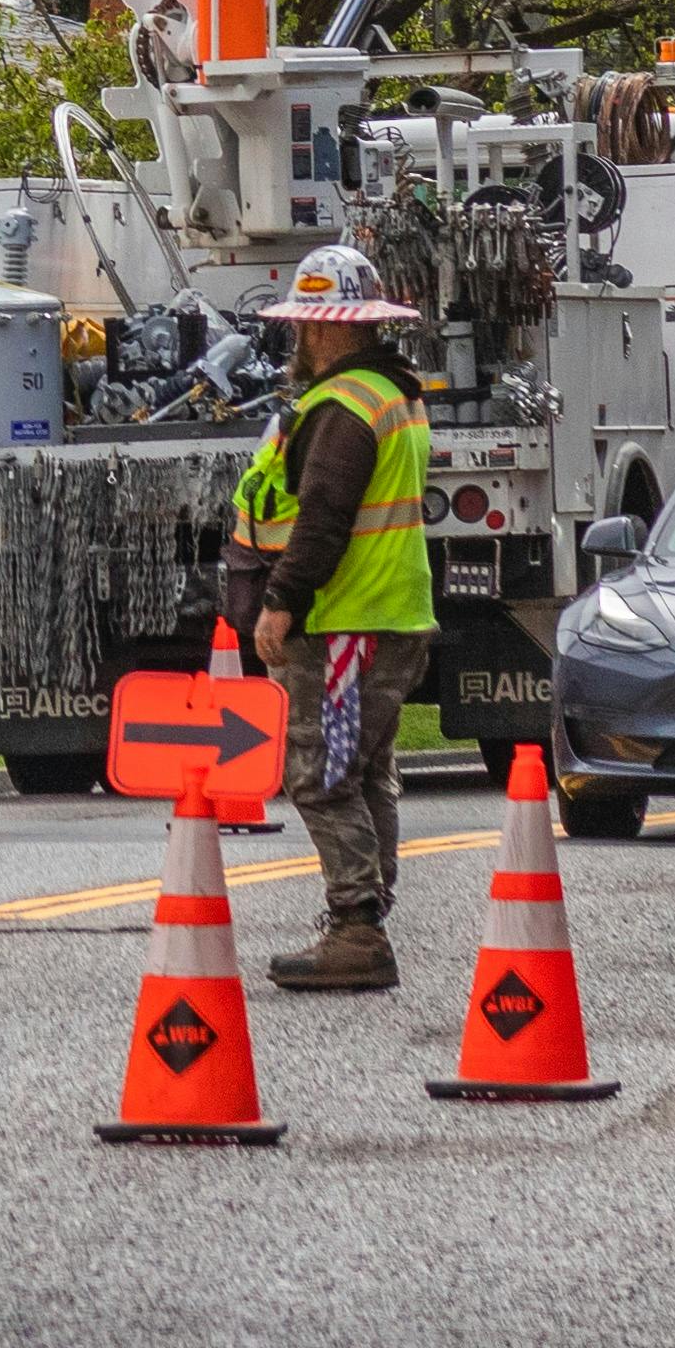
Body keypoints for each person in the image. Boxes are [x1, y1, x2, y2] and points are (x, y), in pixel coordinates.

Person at [242, 240, 434, 993]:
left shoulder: (340, 405)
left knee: (320, 774)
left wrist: (279, 603)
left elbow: (320, 519)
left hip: (351, 618)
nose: (299, 338)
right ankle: (364, 917)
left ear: (321, 328)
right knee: (365, 772)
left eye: (304, 325)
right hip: (396, 612)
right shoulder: (395, 393)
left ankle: (356, 928)